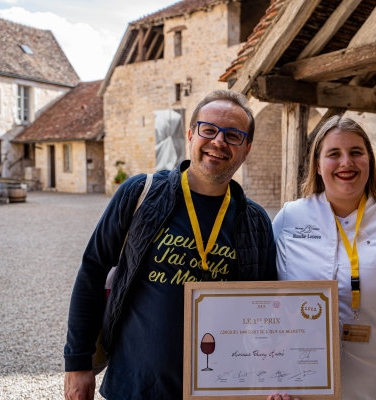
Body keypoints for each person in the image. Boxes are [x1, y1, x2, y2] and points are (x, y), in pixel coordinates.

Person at [64, 90, 277, 400]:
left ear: (247, 149)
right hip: (136, 387)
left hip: (223, 391)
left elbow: (268, 307)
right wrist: (78, 363)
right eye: (209, 129)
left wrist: (276, 376)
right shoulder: (141, 193)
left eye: (233, 135)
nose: (219, 141)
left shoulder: (256, 222)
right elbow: (93, 271)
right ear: (191, 134)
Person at [271, 116, 376, 400]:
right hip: (300, 388)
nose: (346, 162)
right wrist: (266, 378)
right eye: (334, 154)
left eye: (356, 153)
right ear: (317, 164)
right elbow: (264, 303)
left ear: (369, 161)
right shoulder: (289, 217)